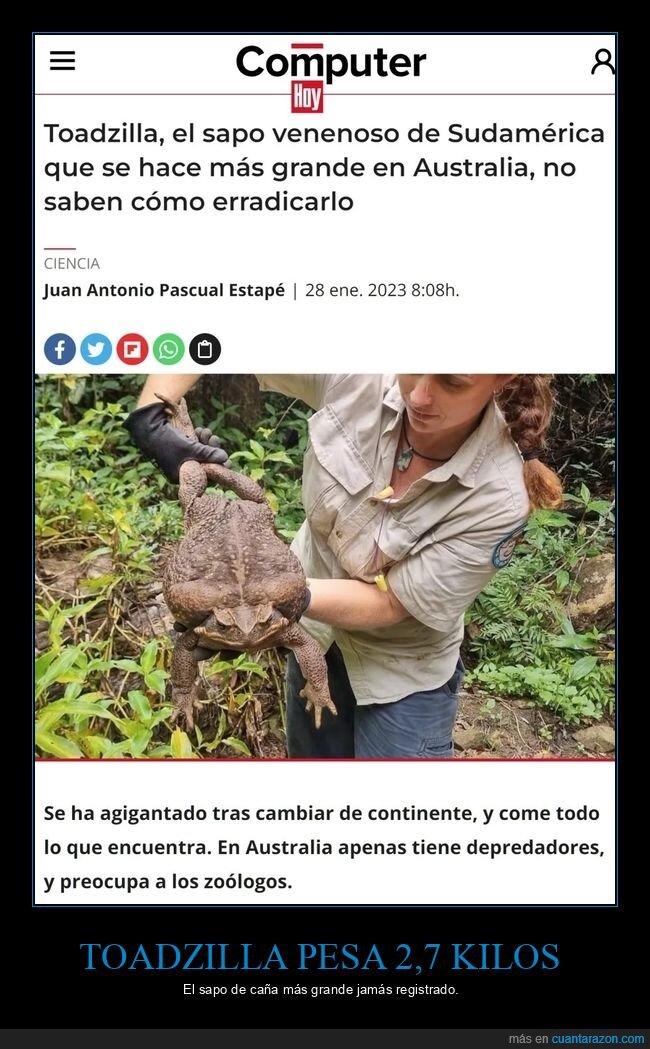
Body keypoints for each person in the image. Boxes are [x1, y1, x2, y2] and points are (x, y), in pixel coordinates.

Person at [125, 374, 563, 759]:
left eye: (451, 381)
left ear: (500, 376)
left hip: (399, 672)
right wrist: (153, 417)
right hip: (313, 637)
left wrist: (278, 597)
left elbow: (393, 603)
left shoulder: (500, 497)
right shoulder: (360, 375)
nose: (421, 396)